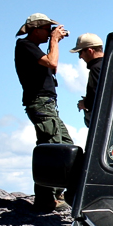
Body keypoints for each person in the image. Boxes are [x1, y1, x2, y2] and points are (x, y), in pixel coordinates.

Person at [15, 12, 74, 213]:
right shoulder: (25, 46)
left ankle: (56, 194)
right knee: (51, 149)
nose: (50, 33)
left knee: (65, 146)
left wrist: (54, 43)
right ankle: (45, 199)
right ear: (36, 29)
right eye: (47, 29)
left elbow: (52, 67)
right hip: (40, 103)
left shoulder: (35, 50)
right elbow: (52, 63)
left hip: (47, 104)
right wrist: (55, 41)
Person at [71, 32, 103, 126]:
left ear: (90, 51)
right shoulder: (111, 63)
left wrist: (85, 103)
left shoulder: (96, 68)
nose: (80, 57)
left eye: (80, 52)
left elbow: (99, 98)